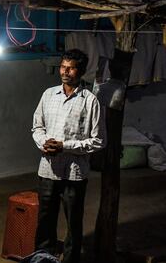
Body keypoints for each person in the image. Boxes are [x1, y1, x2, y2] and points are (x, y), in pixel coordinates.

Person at [32, 49, 105, 263]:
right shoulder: (48, 94)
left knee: (73, 221)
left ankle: (71, 260)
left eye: (71, 67)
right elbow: (37, 127)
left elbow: (99, 140)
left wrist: (65, 146)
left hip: (74, 172)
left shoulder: (90, 101)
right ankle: (43, 257)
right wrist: (43, 142)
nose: (65, 71)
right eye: (63, 66)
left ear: (80, 71)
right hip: (48, 169)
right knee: (45, 219)